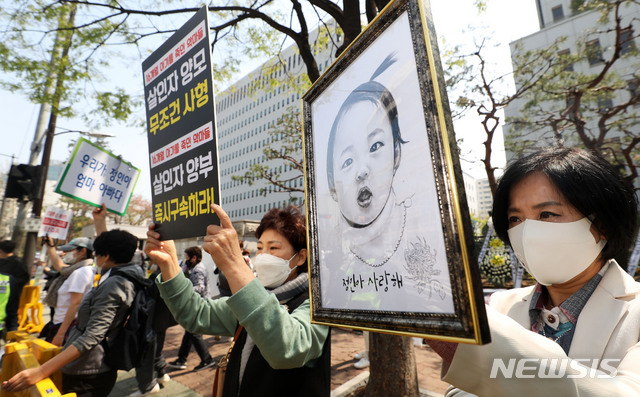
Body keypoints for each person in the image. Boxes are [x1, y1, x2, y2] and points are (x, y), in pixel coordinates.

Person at [430, 147, 640, 396]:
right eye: (515, 219)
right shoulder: (499, 305)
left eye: (547, 214)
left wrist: (481, 353)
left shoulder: (634, 313)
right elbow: (457, 391)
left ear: (602, 225)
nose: (527, 233)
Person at [145, 204, 331, 396]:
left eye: (273, 247)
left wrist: (233, 263)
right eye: (260, 248)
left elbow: (289, 349)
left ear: (301, 257)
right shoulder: (254, 297)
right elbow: (196, 313)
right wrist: (169, 264)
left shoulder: (317, 304)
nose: (263, 255)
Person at [2, 229, 145, 396]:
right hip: (91, 365)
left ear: (106, 256)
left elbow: (92, 336)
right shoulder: (127, 273)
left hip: (89, 370)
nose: (94, 259)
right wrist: (100, 221)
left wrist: (41, 371)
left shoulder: (115, 284)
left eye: (97, 254)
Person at [326, 54, 408, 269]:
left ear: (396, 152)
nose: (361, 171)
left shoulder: (419, 234)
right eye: (348, 161)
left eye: (374, 147)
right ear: (333, 186)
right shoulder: (333, 264)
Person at [166, 246, 215, 371]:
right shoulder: (193, 267)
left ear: (194, 258)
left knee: (194, 333)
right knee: (189, 333)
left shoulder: (198, 269)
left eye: (187, 257)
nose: (185, 259)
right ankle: (182, 359)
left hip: (198, 305)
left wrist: (182, 289)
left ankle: (207, 360)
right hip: (196, 304)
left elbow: (200, 287)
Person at [40, 237, 95, 347]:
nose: (65, 253)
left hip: (66, 326)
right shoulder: (78, 269)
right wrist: (50, 247)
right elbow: (59, 266)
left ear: (83, 251)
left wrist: (61, 333)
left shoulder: (80, 272)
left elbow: (75, 304)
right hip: (63, 323)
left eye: (70, 250)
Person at [0, 240, 30, 332]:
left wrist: (10, 284)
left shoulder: (18, 263)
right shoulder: (2, 260)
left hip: (9, 294)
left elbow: (24, 278)